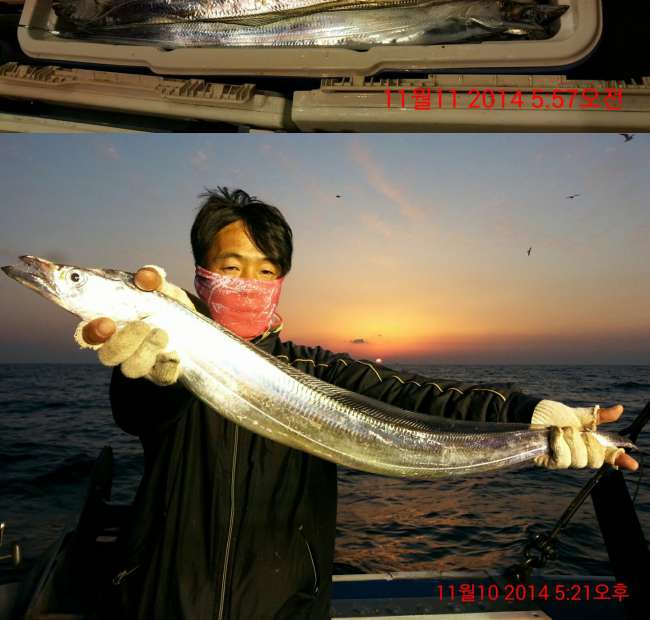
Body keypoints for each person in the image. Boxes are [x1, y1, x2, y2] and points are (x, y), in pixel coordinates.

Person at [74, 184, 638, 620]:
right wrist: (148, 373)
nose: (250, 281)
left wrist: (531, 416)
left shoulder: (319, 370)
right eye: (231, 267)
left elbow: (422, 396)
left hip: (287, 605)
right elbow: (137, 412)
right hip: (160, 600)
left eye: (266, 270)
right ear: (201, 273)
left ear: (281, 281)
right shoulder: (169, 351)